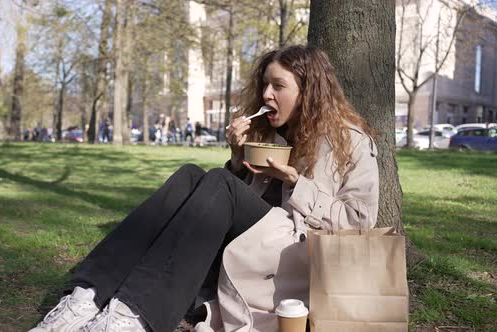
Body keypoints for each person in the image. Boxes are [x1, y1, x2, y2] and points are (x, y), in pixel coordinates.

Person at [29, 45, 379, 332]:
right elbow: (234, 203)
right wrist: (238, 158)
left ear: (309, 89)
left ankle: (133, 317)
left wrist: (295, 182)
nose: (266, 94)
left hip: (294, 257)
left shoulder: (349, 141)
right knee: (190, 174)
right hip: (251, 247)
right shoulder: (271, 135)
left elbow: (358, 222)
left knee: (218, 182)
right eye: (264, 85)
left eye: (278, 86)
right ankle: (85, 296)